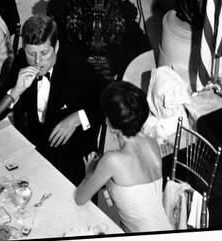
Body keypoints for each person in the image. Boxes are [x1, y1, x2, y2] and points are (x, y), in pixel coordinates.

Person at [0, 15, 104, 185]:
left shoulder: (77, 66)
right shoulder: (21, 63)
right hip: (34, 148)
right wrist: (17, 89)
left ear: (55, 47)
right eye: (31, 53)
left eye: (44, 53)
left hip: (71, 154)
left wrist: (77, 118)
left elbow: (109, 102)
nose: (37, 61)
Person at [74, 81, 173, 233]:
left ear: (109, 123)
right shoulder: (152, 143)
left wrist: (88, 175)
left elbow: (79, 199)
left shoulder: (111, 161)